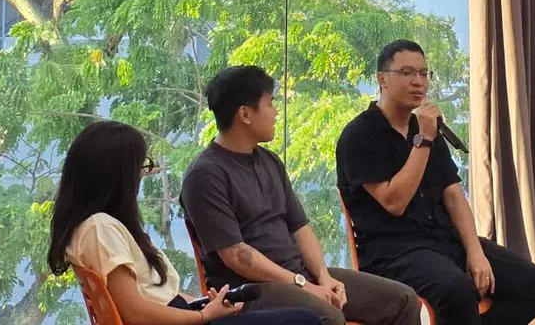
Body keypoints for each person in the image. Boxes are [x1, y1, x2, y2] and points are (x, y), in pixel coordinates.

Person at [336, 40, 535, 325]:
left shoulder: (425, 129)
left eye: (424, 73)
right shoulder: (360, 136)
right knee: (457, 291)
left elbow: (453, 195)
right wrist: (424, 140)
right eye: (406, 73)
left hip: (443, 240)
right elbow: (394, 202)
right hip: (393, 252)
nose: (418, 82)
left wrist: (475, 252)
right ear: (382, 80)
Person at [180, 65, 420, 325]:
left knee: (403, 299)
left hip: (300, 275)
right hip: (249, 290)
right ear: (245, 114)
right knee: (327, 315)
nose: (275, 113)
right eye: (270, 104)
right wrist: (302, 285)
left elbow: (300, 227)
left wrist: (323, 277)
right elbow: (238, 257)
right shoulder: (204, 175)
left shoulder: (269, 161)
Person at [47, 119, 320, 325]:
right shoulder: (100, 228)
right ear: (116, 175)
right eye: (141, 167)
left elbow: (153, 294)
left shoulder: (92, 226)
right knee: (304, 320)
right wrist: (203, 316)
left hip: (181, 313)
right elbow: (134, 312)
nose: (142, 176)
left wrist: (203, 304)